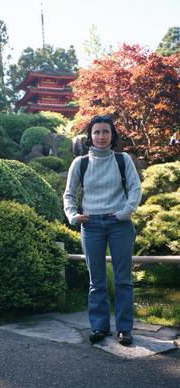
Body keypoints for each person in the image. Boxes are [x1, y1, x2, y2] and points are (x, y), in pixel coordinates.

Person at [63, 115, 142, 346]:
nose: (101, 136)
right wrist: (74, 216)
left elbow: (135, 189)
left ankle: (125, 329)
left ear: (112, 135)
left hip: (120, 225)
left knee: (123, 280)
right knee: (96, 281)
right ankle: (99, 327)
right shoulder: (80, 163)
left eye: (105, 132)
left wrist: (125, 212)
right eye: (96, 132)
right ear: (90, 136)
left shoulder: (122, 159)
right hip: (91, 225)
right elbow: (69, 194)